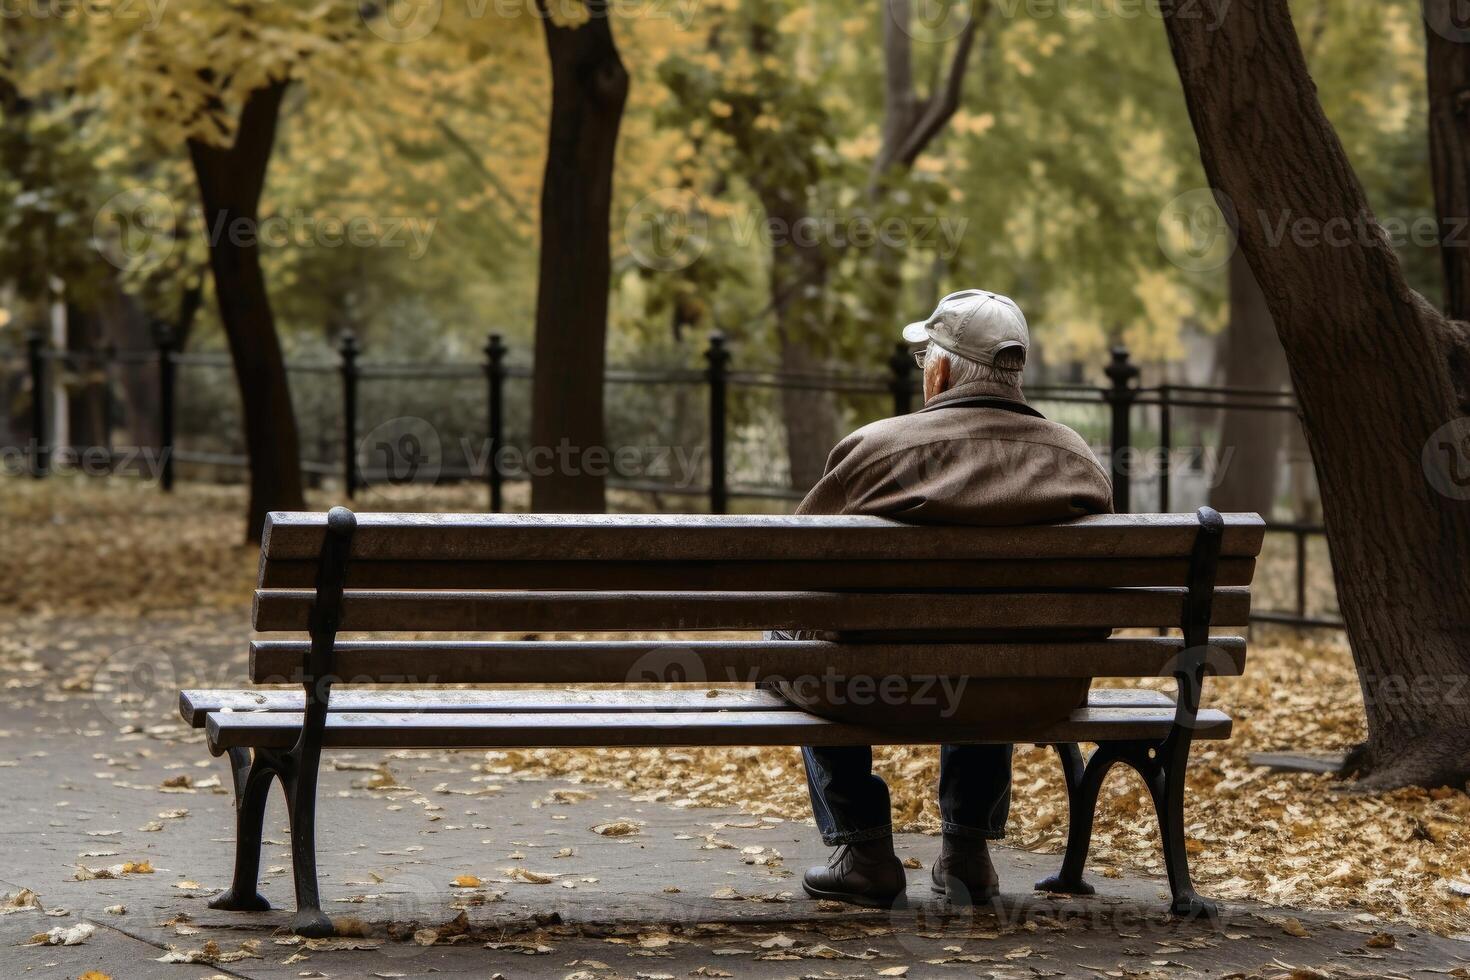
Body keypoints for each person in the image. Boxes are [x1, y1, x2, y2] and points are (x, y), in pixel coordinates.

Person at [788, 289, 1114, 908]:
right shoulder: (1076, 459)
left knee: (793, 642)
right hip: (1032, 686)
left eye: (923, 363)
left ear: (938, 371)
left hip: (877, 685)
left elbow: (799, 580)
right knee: (997, 641)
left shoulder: (878, 450)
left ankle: (864, 851)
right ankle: (967, 852)